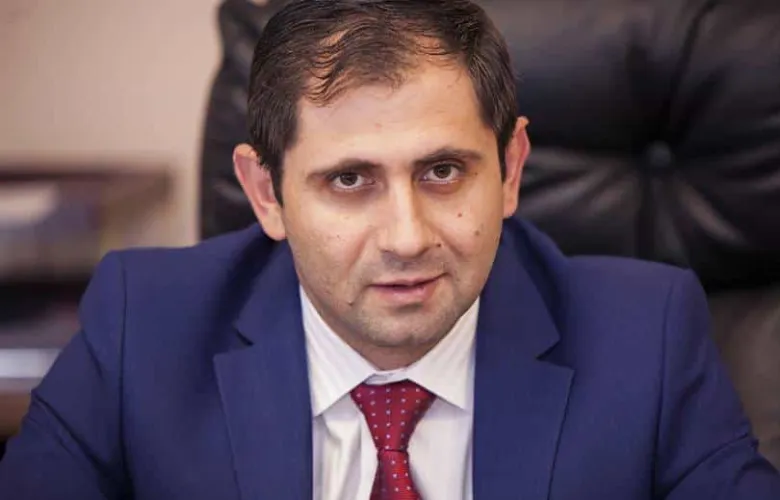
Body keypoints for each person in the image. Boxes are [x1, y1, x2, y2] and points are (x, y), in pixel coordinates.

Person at [2, 0, 779, 498]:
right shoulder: (142, 326)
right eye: (349, 180)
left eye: (443, 172)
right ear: (267, 193)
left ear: (510, 171)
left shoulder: (648, 336)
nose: (408, 237)